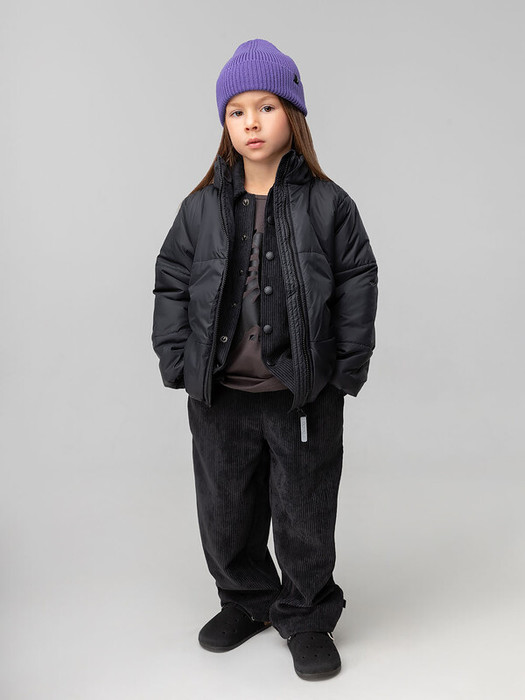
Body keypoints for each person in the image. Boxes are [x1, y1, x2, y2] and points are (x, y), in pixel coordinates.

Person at [151, 38, 379, 681]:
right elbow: (172, 279)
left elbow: (358, 282)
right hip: (219, 394)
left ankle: (306, 616)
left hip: (301, 392)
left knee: (304, 511)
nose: (251, 122)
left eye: (266, 107)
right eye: (237, 111)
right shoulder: (200, 207)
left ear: (293, 114)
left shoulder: (329, 204)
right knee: (225, 509)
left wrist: (345, 370)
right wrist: (177, 359)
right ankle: (246, 601)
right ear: (224, 123)